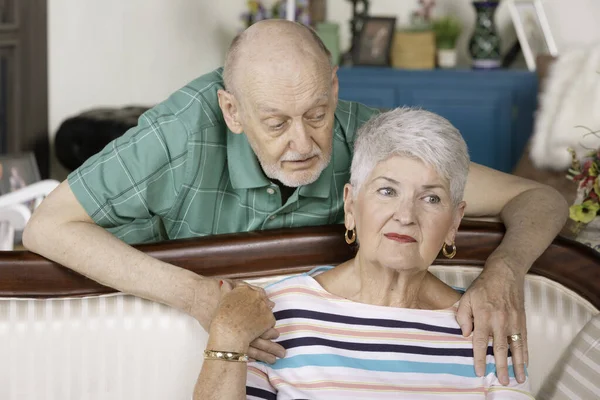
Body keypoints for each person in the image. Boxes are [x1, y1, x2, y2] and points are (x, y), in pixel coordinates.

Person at [22, 20, 567, 384]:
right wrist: (199, 297)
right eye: (277, 124)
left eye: (316, 114)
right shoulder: (178, 134)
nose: (304, 145)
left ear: (333, 89)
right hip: (146, 319)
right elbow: (46, 228)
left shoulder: (369, 140)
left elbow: (537, 198)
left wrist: (505, 270)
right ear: (233, 112)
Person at [193, 108, 533, 399]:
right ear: (351, 206)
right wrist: (227, 333)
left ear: (454, 222)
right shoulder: (278, 310)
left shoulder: (487, 324)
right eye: (387, 191)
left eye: (431, 198)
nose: (406, 215)